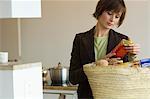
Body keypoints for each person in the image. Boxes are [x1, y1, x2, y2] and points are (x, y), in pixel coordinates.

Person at [69, 0, 140, 98]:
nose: (112, 20)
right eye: (109, 13)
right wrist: (95, 65)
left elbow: (127, 77)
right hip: (86, 95)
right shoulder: (80, 39)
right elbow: (73, 78)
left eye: (117, 17)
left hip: (113, 95)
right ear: (100, 10)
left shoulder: (122, 40)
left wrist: (132, 56)